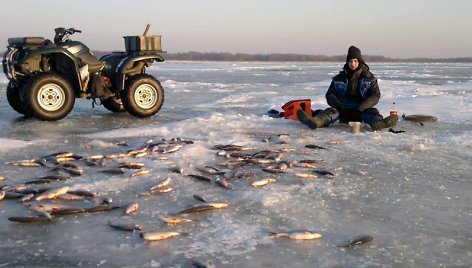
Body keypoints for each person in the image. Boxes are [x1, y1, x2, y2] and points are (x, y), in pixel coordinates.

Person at [297, 45, 398, 131]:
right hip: (343, 108)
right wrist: (339, 107)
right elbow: (330, 94)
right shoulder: (339, 78)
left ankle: (379, 123)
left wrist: (360, 108)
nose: (353, 64)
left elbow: (375, 95)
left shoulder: (369, 78)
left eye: (355, 61)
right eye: (350, 61)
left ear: (360, 62)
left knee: (371, 113)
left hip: (361, 108)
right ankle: (316, 121)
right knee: (331, 112)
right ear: (347, 62)